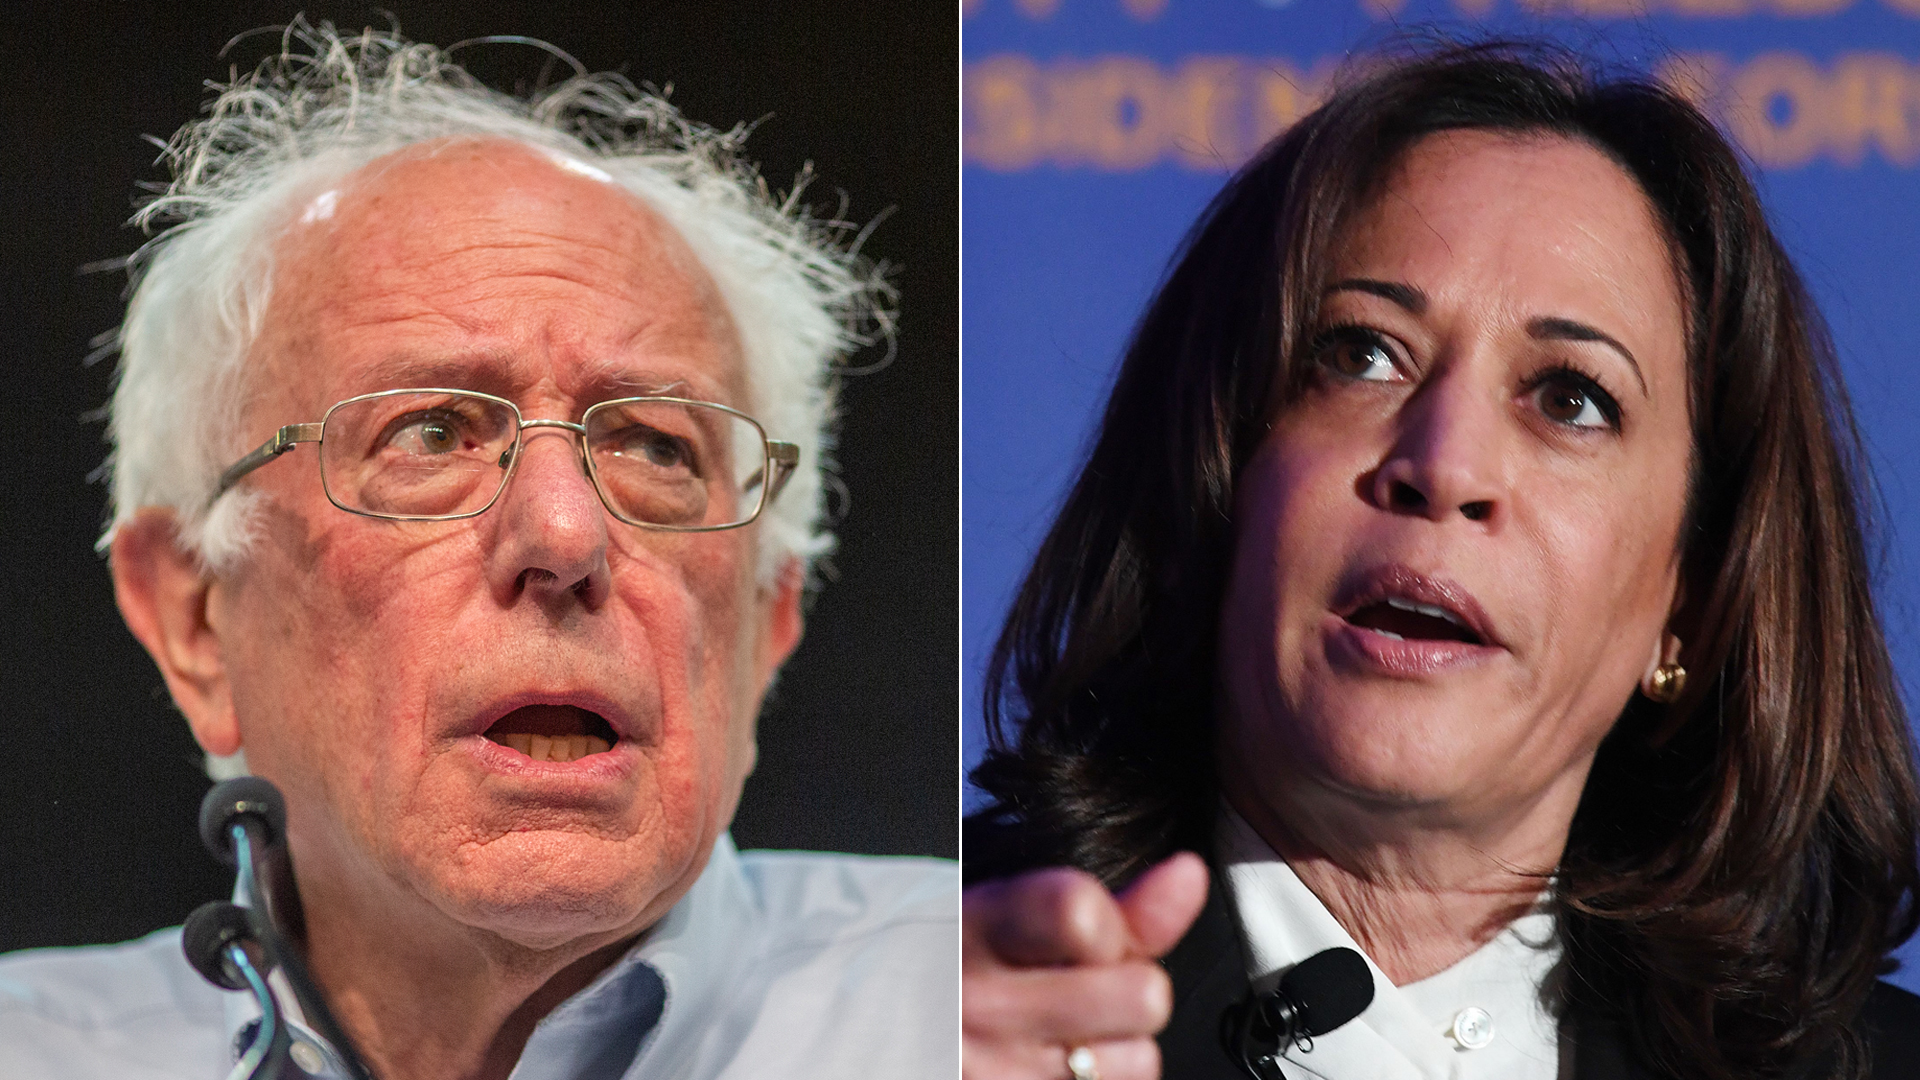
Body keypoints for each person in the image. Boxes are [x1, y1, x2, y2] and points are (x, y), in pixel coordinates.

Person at [0, 23, 955, 1080]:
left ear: (768, 618)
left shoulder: (974, 1011)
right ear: (195, 619)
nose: (562, 535)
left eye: (653, 447)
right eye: (429, 436)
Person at [963, 41, 1920, 1080]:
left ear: (1692, 598)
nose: (1445, 463)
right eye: (1362, 353)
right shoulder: (940, 993)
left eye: (1571, 399)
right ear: (1216, 477)